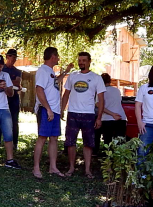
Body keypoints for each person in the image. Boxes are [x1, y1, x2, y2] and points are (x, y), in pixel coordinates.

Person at [61, 52, 105, 177]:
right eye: (80, 60)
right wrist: (62, 109)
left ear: (89, 61)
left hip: (89, 114)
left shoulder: (96, 78)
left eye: (84, 60)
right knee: (70, 142)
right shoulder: (73, 76)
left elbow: (101, 100)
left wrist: (99, 117)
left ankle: (87, 170)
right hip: (73, 113)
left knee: (89, 143)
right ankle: (71, 168)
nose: (81, 62)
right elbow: (66, 94)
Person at [33, 46, 65, 178]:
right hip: (46, 109)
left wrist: (66, 72)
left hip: (54, 110)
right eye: (57, 56)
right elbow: (39, 90)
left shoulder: (51, 72)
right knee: (42, 138)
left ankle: (53, 167)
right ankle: (36, 168)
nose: (58, 58)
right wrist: (48, 109)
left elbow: (55, 83)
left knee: (54, 138)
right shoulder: (43, 71)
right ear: (53, 57)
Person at [0, 48, 22, 150]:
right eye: (12, 57)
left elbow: (17, 83)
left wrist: (7, 82)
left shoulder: (17, 71)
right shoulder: (2, 69)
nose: (14, 59)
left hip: (14, 98)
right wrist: (10, 82)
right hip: (2, 98)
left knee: (14, 121)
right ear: (7, 57)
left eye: (15, 57)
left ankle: (14, 143)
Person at [97, 73, 127, 154]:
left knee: (108, 142)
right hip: (121, 117)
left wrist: (112, 114)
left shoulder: (100, 92)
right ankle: (120, 162)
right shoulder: (117, 90)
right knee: (120, 142)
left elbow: (99, 105)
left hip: (107, 119)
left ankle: (109, 163)